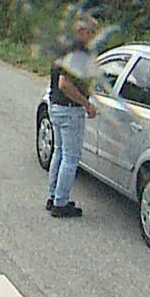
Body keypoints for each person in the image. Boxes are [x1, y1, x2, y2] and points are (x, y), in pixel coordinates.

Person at [46, 15, 100, 218]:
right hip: (70, 110)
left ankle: (53, 196)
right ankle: (61, 203)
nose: (93, 37)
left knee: (59, 152)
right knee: (71, 157)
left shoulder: (63, 48)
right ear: (82, 32)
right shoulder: (78, 53)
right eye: (92, 33)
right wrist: (87, 104)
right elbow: (65, 84)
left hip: (56, 106)